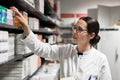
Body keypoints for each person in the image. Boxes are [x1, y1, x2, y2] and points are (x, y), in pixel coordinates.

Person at [10, 6, 112, 80]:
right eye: (74, 28)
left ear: (91, 35)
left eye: (79, 29)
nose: (74, 32)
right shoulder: (65, 50)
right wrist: (25, 25)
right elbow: (39, 48)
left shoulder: (100, 59)